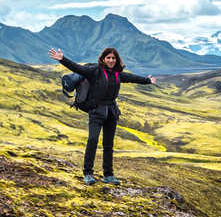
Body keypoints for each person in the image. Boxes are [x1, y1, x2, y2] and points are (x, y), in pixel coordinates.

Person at [48, 46, 157, 185]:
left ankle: (109, 175)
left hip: (111, 111)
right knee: (92, 141)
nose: (111, 60)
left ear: (117, 60)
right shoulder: (95, 71)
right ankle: (88, 173)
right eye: (108, 58)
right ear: (103, 59)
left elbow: (132, 78)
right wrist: (62, 59)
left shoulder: (118, 74)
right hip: (96, 111)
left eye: (113, 58)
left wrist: (147, 80)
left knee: (108, 145)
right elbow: (77, 68)